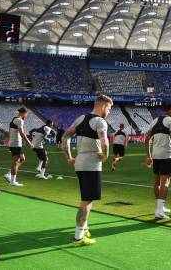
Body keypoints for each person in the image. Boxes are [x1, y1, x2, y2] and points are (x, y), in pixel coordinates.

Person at [61, 95, 113, 247]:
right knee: (87, 201)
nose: (109, 112)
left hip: (80, 161)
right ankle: (78, 237)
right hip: (91, 163)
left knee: (86, 197)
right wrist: (105, 155)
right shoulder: (100, 121)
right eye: (109, 109)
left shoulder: (81, 118)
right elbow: (105, 142)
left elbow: (65, 137)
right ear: (103, 106)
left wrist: (69, 156)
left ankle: (85, 228)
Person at [144, 102, 171, 220]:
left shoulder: (153, 121)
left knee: (157, 181)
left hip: (155, 155)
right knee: (165, 182)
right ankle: (159, 211)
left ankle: (160, 207)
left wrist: (149, 156)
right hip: (166, 155)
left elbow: (146, 140)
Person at [4, 107, 33, 187]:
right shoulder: (19, 120)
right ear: (24, 113)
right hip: (15, 143)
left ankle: (9, 174)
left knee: (22, 159)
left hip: (14, 143)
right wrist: (29, 143)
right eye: (26, 114)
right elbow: (22, 133)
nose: (26, 116)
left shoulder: (15, 119)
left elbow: (11, 132)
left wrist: (9, 142)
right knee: (16, 162)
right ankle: (12, 181)